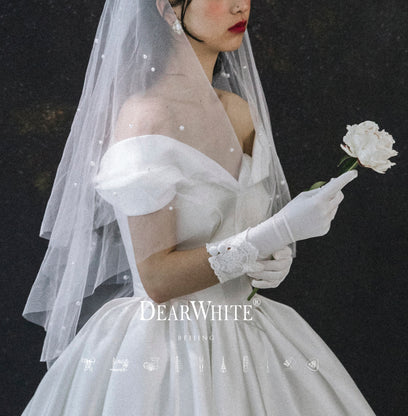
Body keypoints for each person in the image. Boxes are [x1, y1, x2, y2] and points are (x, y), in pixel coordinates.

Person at [21, 0, 376, 414]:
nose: (240, 6)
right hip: (167, 353)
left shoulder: (240, 112)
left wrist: (270, 257)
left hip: (250, 337)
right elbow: (156, 278)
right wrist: (277, 231)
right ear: (167, 9)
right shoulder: (147, 117)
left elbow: (239, 229)